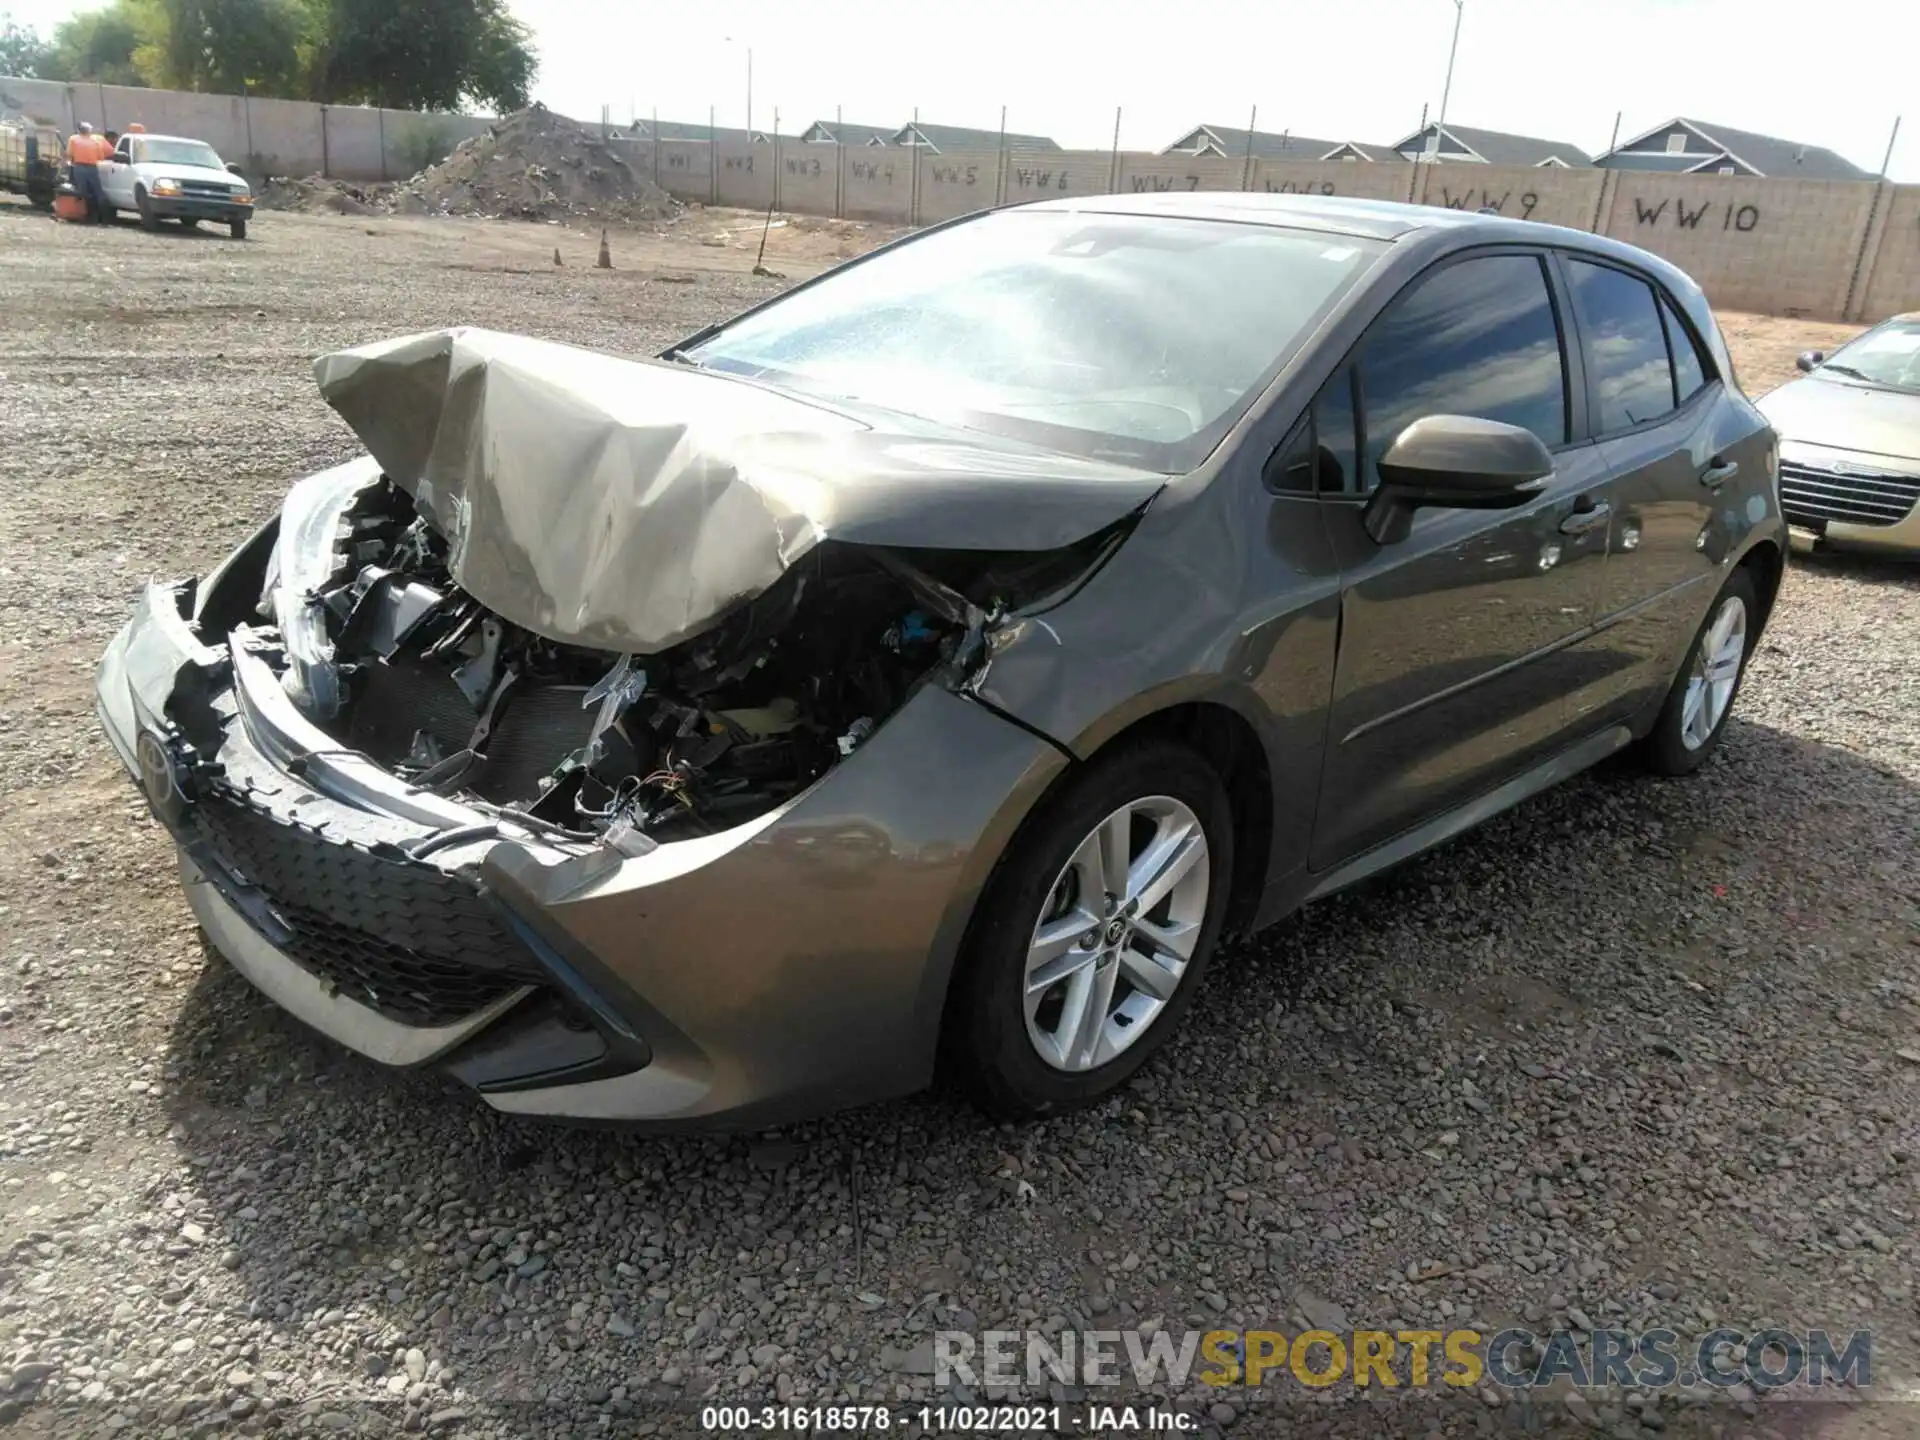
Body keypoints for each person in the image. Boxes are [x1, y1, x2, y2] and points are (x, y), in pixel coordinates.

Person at [66, 122, 110, 223]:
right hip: (92, 168)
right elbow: (101, 157)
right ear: (89, 131)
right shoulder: (96, 142)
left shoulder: (73, 139)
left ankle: (86, 215)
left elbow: (69, 154)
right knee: (98, 191)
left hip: (79, 167)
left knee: (82, 191)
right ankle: (104, 218)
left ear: (79, 130)